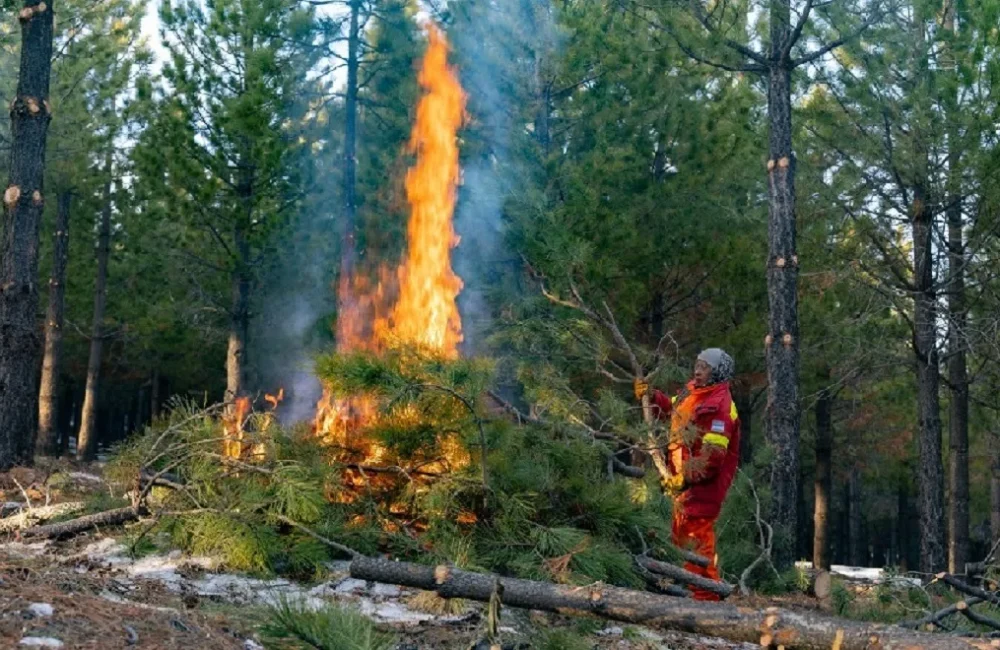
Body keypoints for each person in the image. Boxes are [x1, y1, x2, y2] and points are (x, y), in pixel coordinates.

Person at [633, 348, 740, 601]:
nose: (697, 371)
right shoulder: (692, 391)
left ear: (718, 373)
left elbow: (712, 459)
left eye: (705, 367)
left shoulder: (720, 407)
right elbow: (672, 409)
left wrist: (683, 479)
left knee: (698, 545)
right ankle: (684, 595)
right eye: (697, 365)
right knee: (680, 541)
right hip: (684, 486)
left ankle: (705, 600)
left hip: (702, 489)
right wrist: (651, 396)